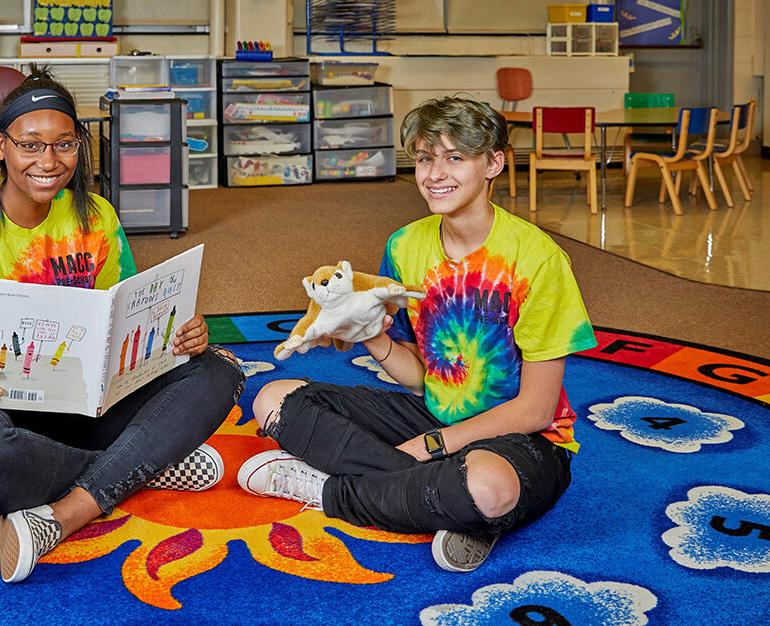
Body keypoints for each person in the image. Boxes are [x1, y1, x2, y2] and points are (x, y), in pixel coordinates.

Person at [0, 65, 243, 584]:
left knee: (217, 371)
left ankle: (67, 512)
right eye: (31, 145)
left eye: (64, 145)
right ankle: (145, 463)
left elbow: (128, 319)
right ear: (0, 146)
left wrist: (177, 334)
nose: (48, 161)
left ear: (80, 147)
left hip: (79, 405)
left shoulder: (97, 217)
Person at [236, 96, 597, 573]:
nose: (435, 173)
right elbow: (420, 379)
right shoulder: (405, 245)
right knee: (274, 398)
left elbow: (536, 409)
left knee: (488, 486)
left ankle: (327, 490)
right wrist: (373, 336)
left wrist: (433, 446)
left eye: (455, 157)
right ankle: (444, 503)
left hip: (525, 438)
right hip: (433, 411)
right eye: (425, 158)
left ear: (493, 163)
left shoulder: (538, 260)